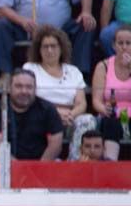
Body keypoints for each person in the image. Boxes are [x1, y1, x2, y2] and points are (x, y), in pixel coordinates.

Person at [23, 25, 96, 160]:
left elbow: (81, 103)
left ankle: (75, 163)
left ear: (61, 48)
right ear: (39, 49)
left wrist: (70, 114)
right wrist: (55, 113)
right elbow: (29, 98)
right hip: (42, 118)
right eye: (45, 46)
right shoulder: (30, 68)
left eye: (54, 46)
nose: (50, 50)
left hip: (68, 118)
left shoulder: (73, 71)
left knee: (88, 120)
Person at [0, 68, 64, 160]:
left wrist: (38, 170)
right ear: (9, 88)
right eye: (18, 86)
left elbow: (56, 144)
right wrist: (18, 168)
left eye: (29, 87)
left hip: (42, 163)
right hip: (7, 162)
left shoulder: (48, 109)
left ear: (35, 89)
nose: (24, 91)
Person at [89, 24, 131, 161]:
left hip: (129, 115)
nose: (124, 47)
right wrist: (103, 108)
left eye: (128, 43)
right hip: (112, 115)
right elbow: (96, 100)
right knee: (111, 122)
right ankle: (110, 163)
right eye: (120, 43)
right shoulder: (103, 66)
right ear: (113, 46)